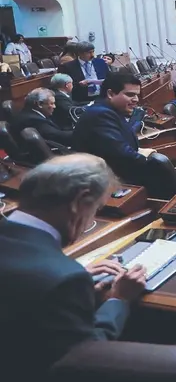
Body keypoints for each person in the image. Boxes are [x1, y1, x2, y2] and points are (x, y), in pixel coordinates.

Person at [0, 155, 149, 380]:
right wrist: (119, 300)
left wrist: (72, 286)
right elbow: (83, 362)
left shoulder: (62, 276)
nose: (90, 221)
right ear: (80, 201)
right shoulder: (63, 277)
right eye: (97, 208)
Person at [72, 72, 154, 186]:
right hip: (104, 181)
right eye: (130, 95)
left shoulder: (107, 110)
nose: (136, 99)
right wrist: (147, 160)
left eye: (137, 95)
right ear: (110, 93)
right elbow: (122, 153)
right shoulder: (101, 114)